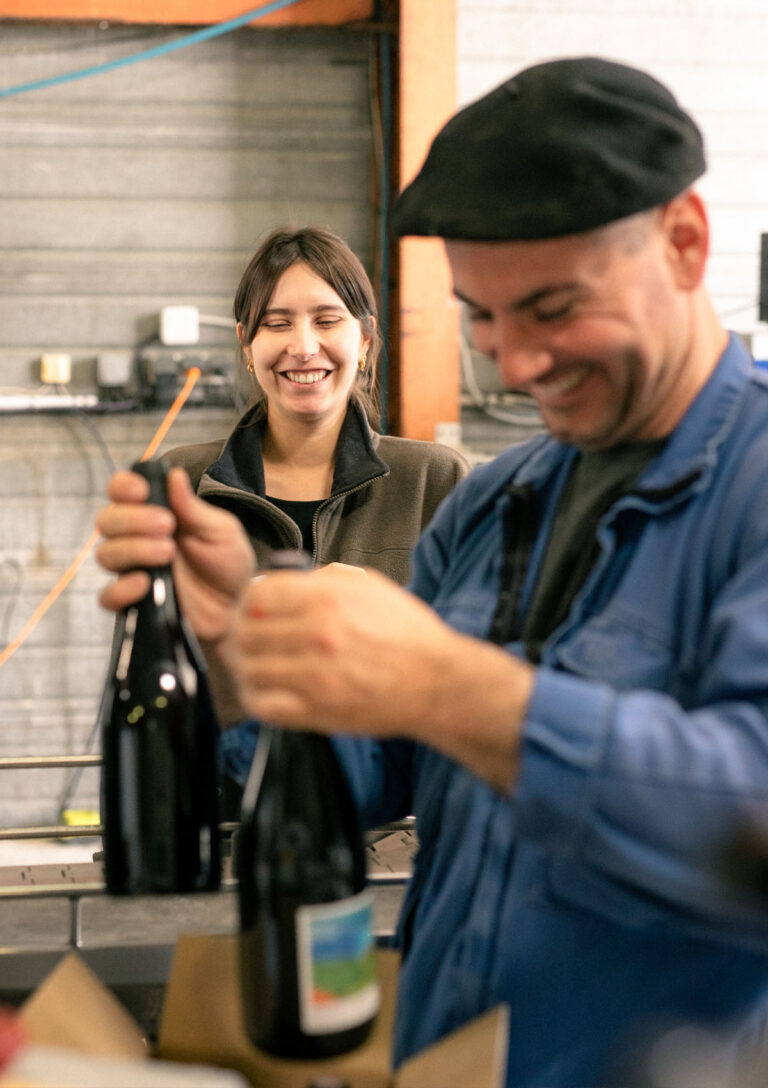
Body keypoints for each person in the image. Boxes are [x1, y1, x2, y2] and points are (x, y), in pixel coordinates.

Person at [96, 58, 768, 1088]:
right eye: (482, 318)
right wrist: (241, 639)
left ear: (683, 242)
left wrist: (450, 683)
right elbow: (371, 772)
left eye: (551, 307)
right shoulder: (504, 501)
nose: (515, 362)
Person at [161, 226, 468, 801]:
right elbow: (158, 669)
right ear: (247, 345)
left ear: (366, 339)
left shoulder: (435, 479)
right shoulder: (184, 483)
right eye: (277, 324)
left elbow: (478, 663)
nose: (303, 346)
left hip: (398, 820)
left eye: (327, 321)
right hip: (226, 816)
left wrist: (382, 607)